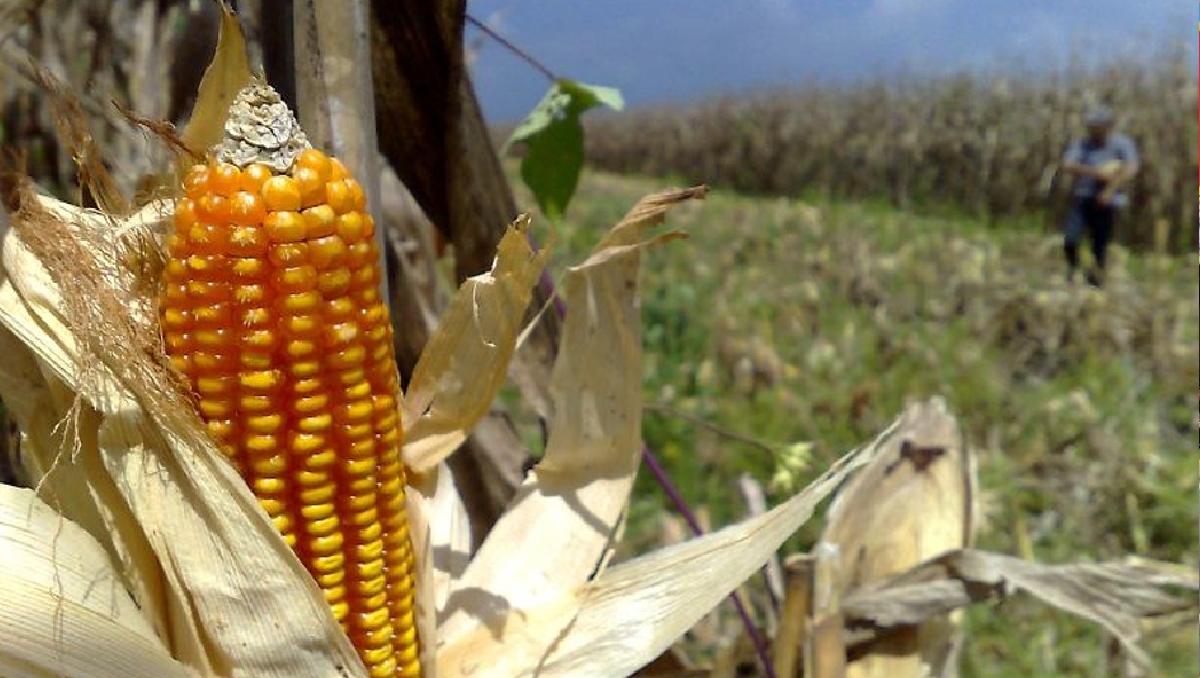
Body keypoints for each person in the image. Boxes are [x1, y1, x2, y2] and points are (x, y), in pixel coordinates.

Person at [1059, 106, 1139, 288]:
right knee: (1070, 238)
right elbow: (1068, 164)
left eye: (1098, 126)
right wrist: (1096, 173)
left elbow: (1131, 168)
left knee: (1099, 242)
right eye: (1092, 126)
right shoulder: (1082, 144)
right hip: (1084, 196)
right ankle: (1072, 270)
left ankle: (1095, 280)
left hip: (1108, 201)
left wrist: (1110, 189)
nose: (1094, 130)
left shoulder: (1122, 144)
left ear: (1108, 126)